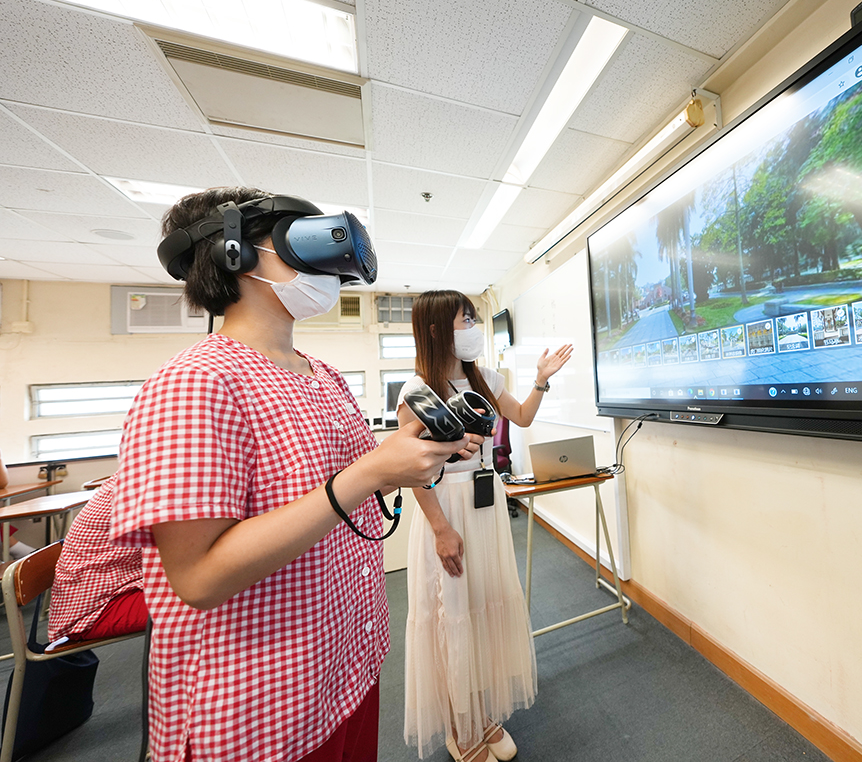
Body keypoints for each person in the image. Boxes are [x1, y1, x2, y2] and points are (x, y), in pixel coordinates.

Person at [105, 187, 481, 762]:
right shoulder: (194, 383)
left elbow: (358, 481)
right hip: (261, 707)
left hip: (347, 663)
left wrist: (406, 456)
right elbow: (200, 577)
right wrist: (368, 473)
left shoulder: (322, 375)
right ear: (236, 251)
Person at [398, 290, 572, 762]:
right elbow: (409, 467)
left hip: (485, 500)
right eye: (464, 319)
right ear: (435, 329)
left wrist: (540, 381)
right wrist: (439, 529)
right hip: (445, 507)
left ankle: (480, 711)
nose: (473, 326)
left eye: (474, 317)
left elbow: (522, 416)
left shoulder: (486, 377)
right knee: (452, 610)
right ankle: (459, 725)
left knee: (483, 602)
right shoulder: (416, 391)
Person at [47, 485, 146, 648]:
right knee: (196, 601)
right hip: (92, 608)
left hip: (120, 583)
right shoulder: (152, 482)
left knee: (196, 590)